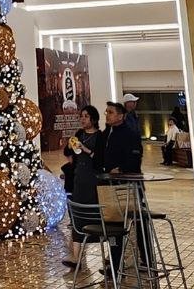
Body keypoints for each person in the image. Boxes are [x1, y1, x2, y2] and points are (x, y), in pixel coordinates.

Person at [100, 101, 144, 275]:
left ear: (120, 116)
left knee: (139, 224)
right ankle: (114, 263)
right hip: (111, 187)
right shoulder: (107, 134)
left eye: (110, 112)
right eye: (106, 112)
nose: (107, 115)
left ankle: (146, 258)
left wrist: (120, 169)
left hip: (128, 186)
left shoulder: (130, 134)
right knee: (113, 227)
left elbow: (135, 156)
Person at [61, 106, 103, 273]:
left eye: (86, 116)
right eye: (81, 116)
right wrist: (71, 148)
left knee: (95, 215)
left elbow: (99, 159)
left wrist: (85, 149)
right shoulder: (79, 134)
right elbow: (68, 152)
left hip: (93, 182)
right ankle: (76, 257)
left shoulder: (100, 136)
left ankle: (104, 254)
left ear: (93, 119)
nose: (83, 119)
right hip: (79, 180)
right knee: (77, 216)